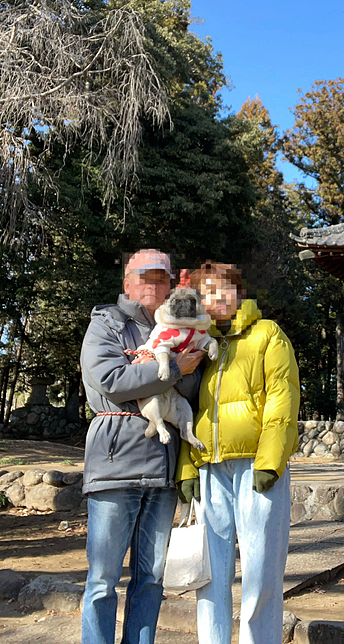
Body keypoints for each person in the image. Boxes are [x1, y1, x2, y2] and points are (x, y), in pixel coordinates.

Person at [80, 249, 204, 644]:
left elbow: (191, 390)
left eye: (163, 278)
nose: (155, 284)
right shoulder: (106, 324)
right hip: (115, 462)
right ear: (127, 282)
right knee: (103, 578)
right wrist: (168, 369)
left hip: (163, 468)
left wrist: (176, 371)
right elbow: (111, 381)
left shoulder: (178, 329)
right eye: (146, 276)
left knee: (151, 578)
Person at [175, 261, 300, 644]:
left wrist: (271, 461)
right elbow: (187, 406)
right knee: (210, 570)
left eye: (224, 289)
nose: (217, 298)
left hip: (256, 467)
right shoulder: (199, 345)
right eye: (208, 292)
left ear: (239, 292)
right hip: (210, 468)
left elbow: (283, 398)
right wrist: (186, 468)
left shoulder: (268, 335)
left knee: (261, 567)